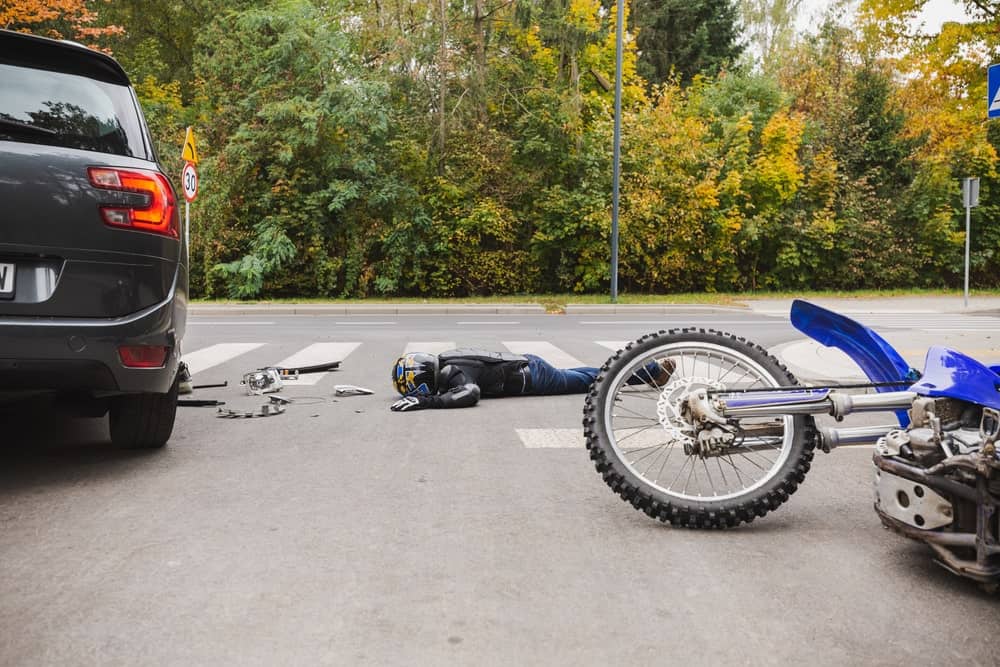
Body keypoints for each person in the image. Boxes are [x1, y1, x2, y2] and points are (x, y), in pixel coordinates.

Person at [389, 348, 674, 411]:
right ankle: (651, 370)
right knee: (590, 374)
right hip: (528, 363)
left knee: (593, 378)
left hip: (535, 378)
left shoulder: (456, 373)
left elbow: (470, 393)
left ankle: (651, 371)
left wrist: (428, 402)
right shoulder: (448, 359)